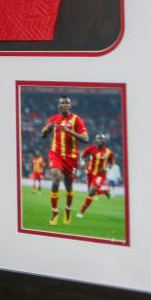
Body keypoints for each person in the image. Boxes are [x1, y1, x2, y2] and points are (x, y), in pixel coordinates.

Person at [41, 96, 88, 225]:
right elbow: (43, 135)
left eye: (67, 103)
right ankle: (55, 212)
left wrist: (69, 131)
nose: (65, 105)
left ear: (70, 105)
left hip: (71, 158)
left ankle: (67, 210)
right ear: (59, 105)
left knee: (68, 186)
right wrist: (46, 129)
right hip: (56, 155)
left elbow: (86, 138)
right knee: (55, 179)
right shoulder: (53, 119)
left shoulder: (76, 120)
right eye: (62, 103)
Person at [78, 133, 115, 218]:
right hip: (90, 174)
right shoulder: (91, 149)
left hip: (100, 175)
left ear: (104, 141)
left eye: (102, 139)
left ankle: (80, 212)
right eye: (98, 138)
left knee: (91, 192)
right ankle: (105, 192)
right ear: (96, 140)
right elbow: (82, 156)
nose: (100, 140)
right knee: (91, 192)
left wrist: (107, 169)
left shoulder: (108, 152)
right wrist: (83, 163)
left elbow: (112, 163)